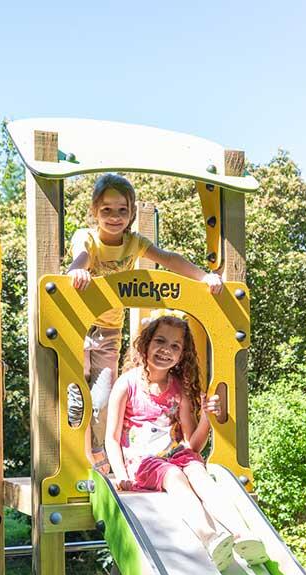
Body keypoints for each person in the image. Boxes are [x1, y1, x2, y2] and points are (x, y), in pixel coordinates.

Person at [66, 173, 224, 471]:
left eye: (122, 210)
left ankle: (98, 465)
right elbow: (82, 257)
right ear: (94, 211)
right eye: (107, 210)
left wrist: (203, 277)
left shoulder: (134, 242)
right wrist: (76, 272)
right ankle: (78, 462)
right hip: (76, 328)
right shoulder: (86, 238)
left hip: (108, 331)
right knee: (76, 397)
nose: (114, 217)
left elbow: (168, 259)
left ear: (132, 212)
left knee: (100, 403)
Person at [103, 315, 267, 571]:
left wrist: (207, 417)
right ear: (145, 343)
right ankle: (210, 537)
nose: (166, 350)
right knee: (175, 476)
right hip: (143, 463)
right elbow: (111, 437)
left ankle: (241, 534)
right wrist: (121, 475)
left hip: (175, 455)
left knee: (198, 472)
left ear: (182, 355)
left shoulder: (178, 390)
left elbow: (192, 445)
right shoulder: (127, 384)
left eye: (175, 346)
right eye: (159, 341)